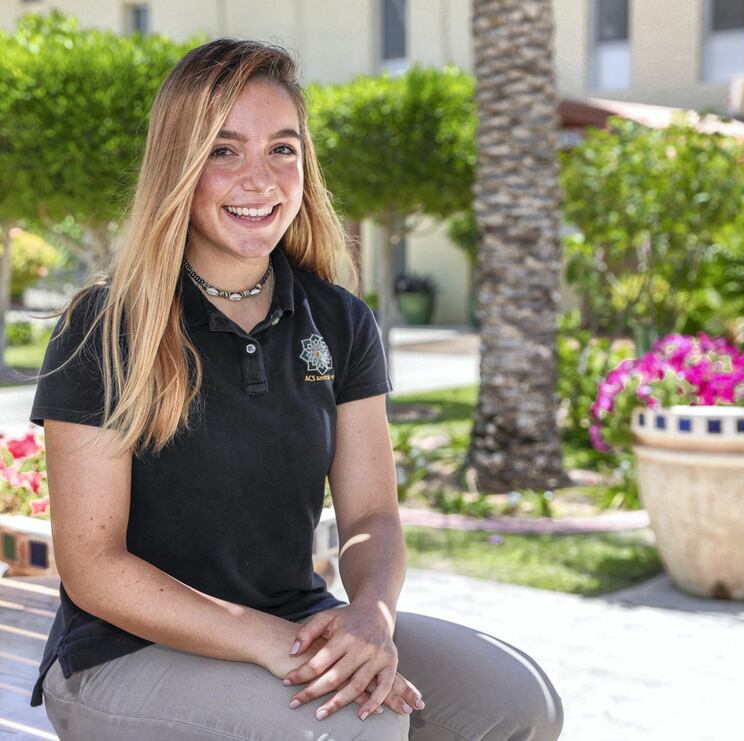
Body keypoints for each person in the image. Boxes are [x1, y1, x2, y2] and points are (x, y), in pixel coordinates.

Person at [28, 38, 565, 740]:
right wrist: (268, 642)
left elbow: (372, 512)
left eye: (282, 148)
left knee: (516, 700)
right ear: (178, 167)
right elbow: (92, 567)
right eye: (224, 151)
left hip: (292, 616)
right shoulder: (102, 326)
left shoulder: (339, 320)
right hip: (123, 655)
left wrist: (370, 614)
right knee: (353, 726)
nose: (261, 179)